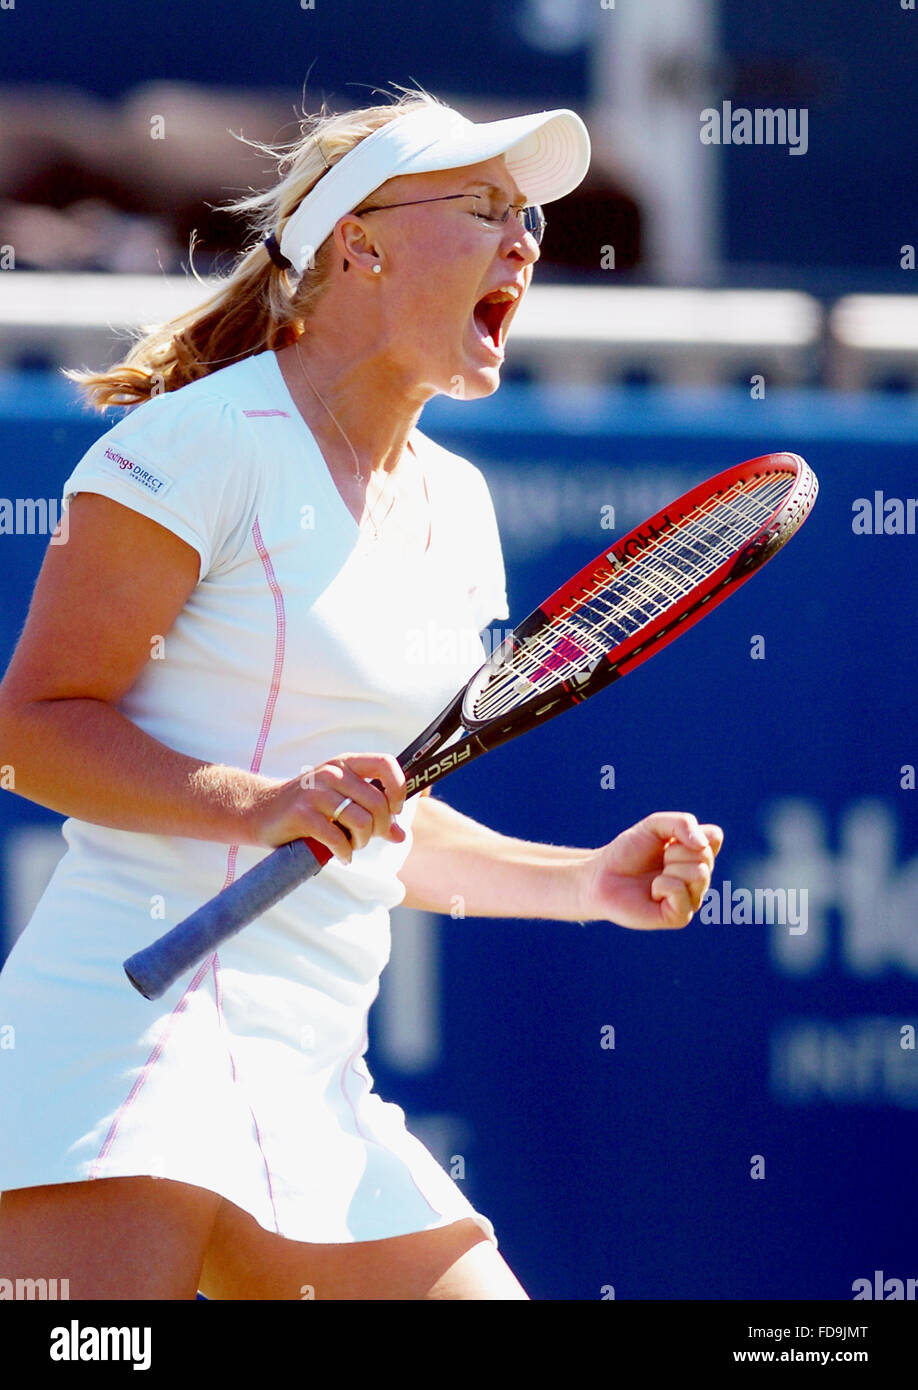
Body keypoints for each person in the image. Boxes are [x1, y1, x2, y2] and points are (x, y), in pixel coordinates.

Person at [0, 90, 723, 1300]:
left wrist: (581, 883)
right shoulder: (195, 443)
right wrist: (252, 803)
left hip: (317, 1076)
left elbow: (381, 813)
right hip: (126, 1048)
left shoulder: (459, 509)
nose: (527, 240)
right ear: (360, 242)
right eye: (488, 208)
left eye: (531, 217)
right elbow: (25, 730)